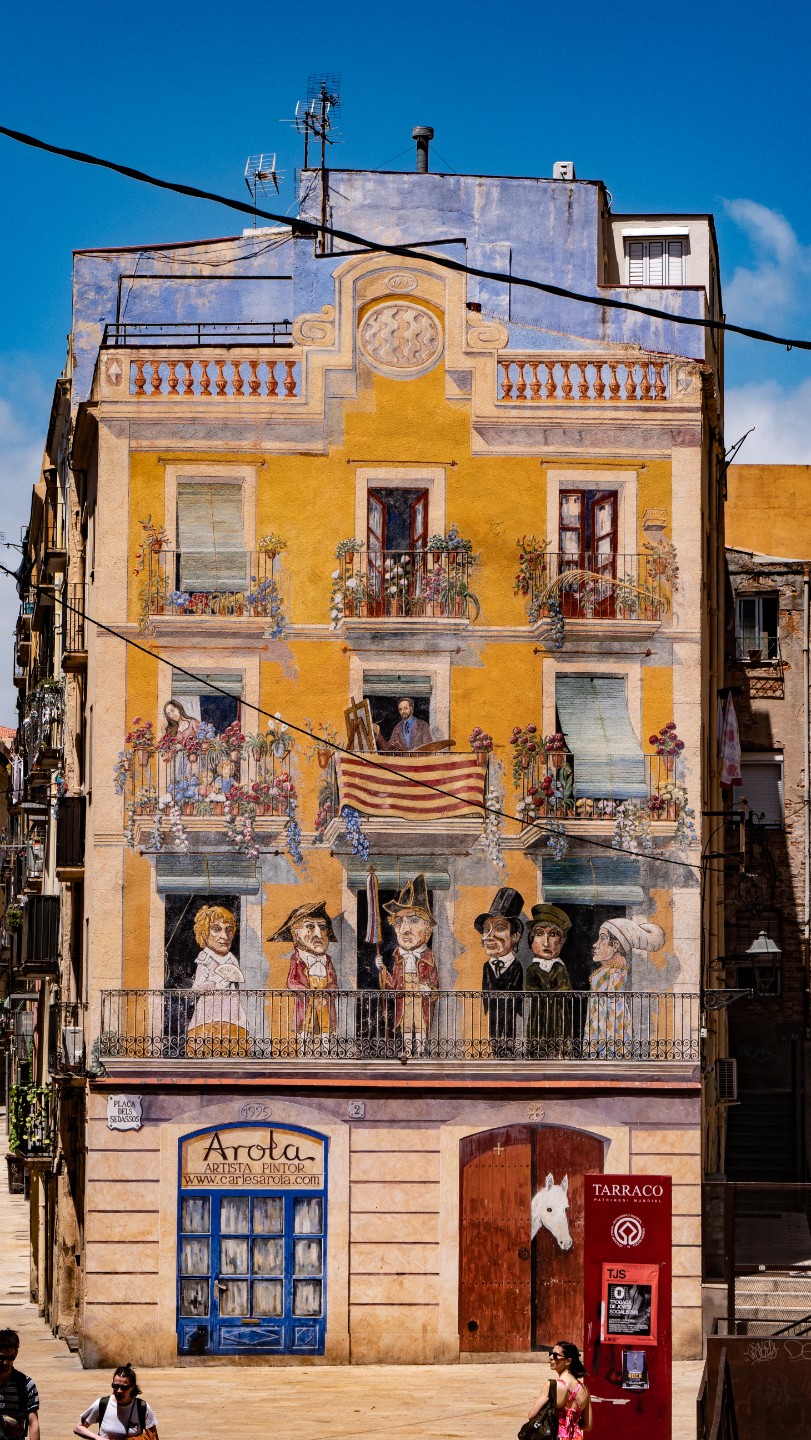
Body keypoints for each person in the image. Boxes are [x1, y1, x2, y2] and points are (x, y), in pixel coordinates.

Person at [376, 875, 439, 1056]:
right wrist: (382, 969)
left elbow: (435, 984)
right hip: (404, 1000)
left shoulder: (429, 957)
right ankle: (408, 1051)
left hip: (421, 1001)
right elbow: (392, 985)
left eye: (413, 921)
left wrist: (429, 990)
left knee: (420, 1025)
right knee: (406, 1025)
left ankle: (419, 1052)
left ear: (427, 928)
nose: (405, 929)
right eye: (399, 922)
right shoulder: (398, 959)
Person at [585, 917, 665, 1058]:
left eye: (602, 938)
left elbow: (615, 1006)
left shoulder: (616, 972)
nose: (595, 944)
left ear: (615, 945)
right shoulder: (610, 970)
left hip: (606, 1025)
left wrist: (612, 1040)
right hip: (598, 1021)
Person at [268, 901, 339, 1053]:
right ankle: (304, 1050)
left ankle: (327, 1050)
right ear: (297, 934)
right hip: (307, 1002)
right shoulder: (297, 959)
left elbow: (333, 982)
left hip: (324, 1001)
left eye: (323, 927)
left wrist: (328, 993)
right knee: (306, 1025)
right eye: (310, 927)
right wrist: (308, 994)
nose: (318, 934)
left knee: (325, 1025)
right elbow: (291, 982)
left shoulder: (327, 960)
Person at [185, 905, 249, 1057]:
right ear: (204, 934)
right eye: (216, 929)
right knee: (207, 1047)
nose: (224, 936)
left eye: (229, 930)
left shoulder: (231, 958)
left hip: (232, 1011)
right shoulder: (205, 957)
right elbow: (197, 987)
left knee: (234, 1046)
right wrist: (215, 984)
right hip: (209, 1012)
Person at [475, 887, 525, 1056]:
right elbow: (485, 990)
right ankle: (496, 1049)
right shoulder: (487, 966)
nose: (489, 936)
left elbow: (517, 993)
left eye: (500, 928)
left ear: (515, 936)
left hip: (510, 1011)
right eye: (486, 929)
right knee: (494, 1033)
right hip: (494, 1011)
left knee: (508, 1031)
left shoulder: (515, 965)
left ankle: (508, 1050)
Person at [524, 905, 574, 1058]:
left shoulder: (560, 967)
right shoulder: (532, 969)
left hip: (558, 1013)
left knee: (559, 1037)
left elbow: (565, 989)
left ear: (562, 941)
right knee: (537, 1037)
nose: (546, 942)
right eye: (539, 934)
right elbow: (530, 989)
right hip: (538, 1013)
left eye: (553, 934)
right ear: (532, 941)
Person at [526, 1341, 591, 1439]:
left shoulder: (552, 1385)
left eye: (555, 1355)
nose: (551, 1357)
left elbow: (531, 1416)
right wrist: (571, 1424)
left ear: (568, 1361)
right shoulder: (585, 1390)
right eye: (551, 1353)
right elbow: (587, 1425)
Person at [74, 1364, 157, 1440]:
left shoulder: (142, 1407)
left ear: (132, 1387)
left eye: (124, 1387)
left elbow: (153, 1436)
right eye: (115, 1386)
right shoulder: (102, 1404)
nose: (119, 1391)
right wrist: (97, 1438)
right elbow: (78, 1427)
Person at [0, 1330, 39, 1440]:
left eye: (10, 1358)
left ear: (16, 1353)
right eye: (1, 1358)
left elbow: (33, 1423)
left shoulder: (26, 1385)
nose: (5, 1362)